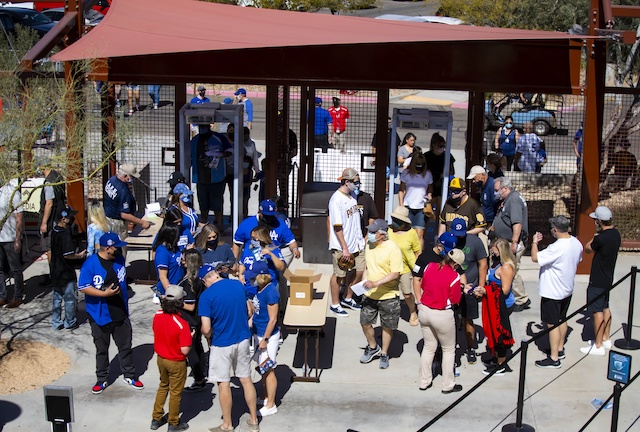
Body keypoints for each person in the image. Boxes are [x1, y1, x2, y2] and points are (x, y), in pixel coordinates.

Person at [78, 232, 144, 394]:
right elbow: (83, 287)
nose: (120, 249)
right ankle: (102, 379)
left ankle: (129, 375)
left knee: (125, 346)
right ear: (108, 248)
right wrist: (104, 294)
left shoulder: (119, 258)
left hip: (120, 312)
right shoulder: (90, 264)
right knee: (101, 348)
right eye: (116, 247)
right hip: (99, 315)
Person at [198, 264, 259, 432]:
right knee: (246, 379)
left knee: (223, 383)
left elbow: (206, 328)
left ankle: (227, 424)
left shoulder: (206, 297)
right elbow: (249, 309)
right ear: (216, 273)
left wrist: (208, 337)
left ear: (204, 280)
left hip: (221, 344)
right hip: (242, 339)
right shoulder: (237, 285)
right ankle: (254, 420)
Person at [531, 216, 583, 369]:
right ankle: (559, 348)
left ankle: (554, 358)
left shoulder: (556, 247)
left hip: (552, 291)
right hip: (567, 289)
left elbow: (535, 258)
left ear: (555, 230)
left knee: (552, 324)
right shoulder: (576, 243)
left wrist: (534, 242)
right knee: (561, 319)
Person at [415, 249, 467, 393]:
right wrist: (461, 288)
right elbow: (456, 299)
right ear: (455, 264)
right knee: (449, 349)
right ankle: (447, 384)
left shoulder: (430, 266)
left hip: (425, 310)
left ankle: (424, 381)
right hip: (442, 314)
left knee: (429, 346)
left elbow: (423, 285)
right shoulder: (454, 276)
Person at [359, 219, 402, 369]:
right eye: (369, 231)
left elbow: (395, 274)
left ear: (382, 234)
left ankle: (384, 353)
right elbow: (367, 266)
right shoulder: (369, 245)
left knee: (387, 326)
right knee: (365, 322)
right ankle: (373, 347)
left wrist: (376, 283)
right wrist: (363, 282)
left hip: (388, 296)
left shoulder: (393, 249)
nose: (369, 234)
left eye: (372, 232)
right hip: (369, 294)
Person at [150, 285, 192, 432]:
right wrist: (190, 338)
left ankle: (156, 417)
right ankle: (173, 422)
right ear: (180, 302)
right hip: (176, 361)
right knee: (175, 393)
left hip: (161, 358)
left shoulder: (158, 315)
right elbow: (184, 349)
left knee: (163, 386)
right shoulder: (182, 324)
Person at [581, 206, 621, 356]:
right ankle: (605, 338)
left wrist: (596, 235)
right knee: (605, 307)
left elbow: (587, 248)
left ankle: (597, 346)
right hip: (608, 278)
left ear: (598, 221)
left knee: (596, 311)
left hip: (597, 280)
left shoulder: (600, 238)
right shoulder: (616, 234)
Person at [448, 218, 487, 365]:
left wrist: (480, 287)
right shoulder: (448, 240)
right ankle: (448, 349)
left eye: (461, 234)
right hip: (451, 287)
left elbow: (483, 264)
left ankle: (470, 348)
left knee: (467, 319)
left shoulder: (475, 242)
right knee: (450, 320)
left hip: (469, 287)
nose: (458, 237)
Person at [328, 168, 365, 317]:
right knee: (339, 275)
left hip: (357, 243)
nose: (358, 185)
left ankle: (348, 298)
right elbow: (337, 227)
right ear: (347, 182)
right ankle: (335, 304)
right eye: (355, 182)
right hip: (342, 246)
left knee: (359, 271)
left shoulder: (352, 195)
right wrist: (344, 248)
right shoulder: (336, 200)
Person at [476, 238, 516, 375]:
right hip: (494, 303)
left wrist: (486, 290)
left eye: (494, 248)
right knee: (493, 332)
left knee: (500, 334)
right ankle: (495, 358)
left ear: (501, 250)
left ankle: (501, 364)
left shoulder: (506, 267)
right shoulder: (496, 264)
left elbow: (504, 290)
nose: (492, 249)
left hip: (503, 305)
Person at [492, 177, 530, 312]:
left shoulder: (513, 200)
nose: (495, 193)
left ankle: (521, 299)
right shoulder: (508, 199)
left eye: (497, 190)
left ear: (505, 188)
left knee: (511, 269)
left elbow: (517, 223)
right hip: (506, 241)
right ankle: (520, 296)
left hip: (511, 242)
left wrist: (514, 242)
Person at [249, 263, 281, 417]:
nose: (251, 279)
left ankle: (271, 404)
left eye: (254, 276)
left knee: (268, 370)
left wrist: (265, 339)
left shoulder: (271, 292)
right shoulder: (259, 289)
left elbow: (273, 319)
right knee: (262, 368)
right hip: (258, 333)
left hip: (267, 336)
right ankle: (264, 396)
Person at [50, 205, 86, 329]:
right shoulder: (65, 234)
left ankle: (56, 322)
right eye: (70, 217)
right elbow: (68, 255)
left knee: (57, 298)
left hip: (55, 271)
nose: (72, 219)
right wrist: (80, 255)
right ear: (64, 218)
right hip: (66, 272)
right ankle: (69, 322)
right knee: (70, 298)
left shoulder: (54, 231)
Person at [177, 249, 208, 392]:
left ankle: (199, 379)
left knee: (191, 351)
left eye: (183, 259)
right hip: (198, 318)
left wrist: (173, 302)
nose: (181, 261)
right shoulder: (198, 279)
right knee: (197, 346)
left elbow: (190, 306)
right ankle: (202, 371)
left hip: (190, 321)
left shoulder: (188, 283)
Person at [104, 163, 150, 254]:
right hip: (118, 223)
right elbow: (124, 214)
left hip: (107, 219)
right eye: (131, 177)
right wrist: (142, 222)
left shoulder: (111, 180)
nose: (132, 179)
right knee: (120, 248)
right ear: (125, 176)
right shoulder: (123, 190)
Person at [233, 199, 299, 262]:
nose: (269, 218)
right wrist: (234, 262)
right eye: (266, 216)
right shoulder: (247, 223)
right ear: (259, 212)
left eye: (271, 216)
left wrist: (295, 249)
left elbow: (291, 241)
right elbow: (237, 243)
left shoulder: (280, 224)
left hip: (272, 262)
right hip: (250, 262)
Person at [388, 206, 422, 326]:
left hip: (405, 268)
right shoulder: (388, 230)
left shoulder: (411, 233)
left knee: (407, 293)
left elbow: (418, 252)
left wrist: (418, 269)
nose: (394, 222)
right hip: (390, 268)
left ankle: (413, 311)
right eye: (393, 219)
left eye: (397, 220)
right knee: (390, 294)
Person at [191, 127, 230, 228]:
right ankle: (204, 226)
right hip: (200, 178)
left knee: (217, 204)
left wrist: (218, 154)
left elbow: (229, 152)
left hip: (217, 178)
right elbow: (189, 156)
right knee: (203, 204)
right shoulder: (195, 140)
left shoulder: (219, 137)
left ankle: (220, 226)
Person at [37, 160, 66, 286]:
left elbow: (49, 203)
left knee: (50, 249)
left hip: (51, 220)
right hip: (58, 217)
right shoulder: (58, 177)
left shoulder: (49, 182)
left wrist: (44, 222)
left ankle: (54, 277)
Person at [238, 226, 285, 299]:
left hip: (266, 287)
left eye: (255, 239)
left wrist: (270, 254)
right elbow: (243, 263)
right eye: (252, 238)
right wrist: (240, 274)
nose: (253, 241)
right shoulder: (248, 249)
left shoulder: (274, 249)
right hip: (249, 287)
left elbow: (281, 267)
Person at [399, 152, 433, 247]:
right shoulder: (406, 174)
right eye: (417, 166)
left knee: (419, 233)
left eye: (421, 166)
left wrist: (429, 195)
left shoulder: (428, 174)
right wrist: (401, 205)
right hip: (408, 206)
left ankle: (418, 258)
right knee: (407, 233)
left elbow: (430, 188)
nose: (419, 168)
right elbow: (401, 190)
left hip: (421, 207)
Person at [0, 177, 24, 308]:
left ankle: (17, 296)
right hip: (0, 238)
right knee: (0, 269)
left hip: (10, 237)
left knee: (15, 268)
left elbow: (19, 217)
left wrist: (17, 239)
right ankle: (2, 296)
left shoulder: (12, 192)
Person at [153, 207, 186, 296]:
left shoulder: (174, 248)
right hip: (170, 291)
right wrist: (171, 295)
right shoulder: (162, 252)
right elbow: (163, 277)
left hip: (179, 286)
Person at [425, 132, 456, 221]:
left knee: (440, 213)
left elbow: (452, 171)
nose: (442, 148)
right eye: (440, 146)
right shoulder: (427, 156)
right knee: (428, 213)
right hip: (429, 187)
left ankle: (438, 232)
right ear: (434, 145)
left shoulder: (447, 156)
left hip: (442, 186)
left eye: (443, 145)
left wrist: (445, 173)